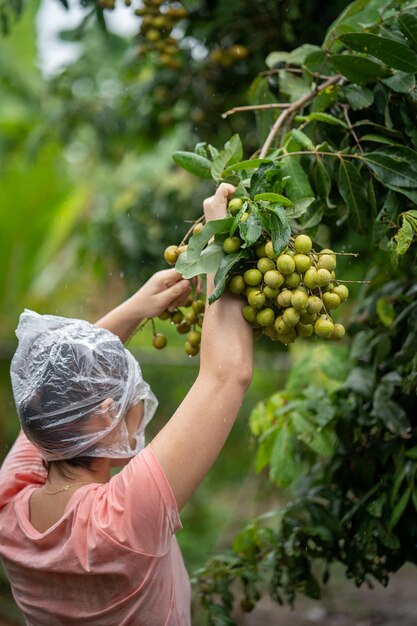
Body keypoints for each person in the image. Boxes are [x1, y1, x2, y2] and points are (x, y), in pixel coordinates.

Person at [0, 183, 254, 626]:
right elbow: (226, 375)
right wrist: (220, 238)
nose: (139, 401)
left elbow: (52, 382)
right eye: (133, 390)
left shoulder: (10, 508)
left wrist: (138, 306)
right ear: (103, 413)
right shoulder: (122, 519)